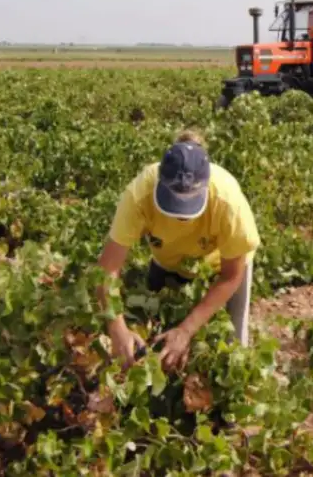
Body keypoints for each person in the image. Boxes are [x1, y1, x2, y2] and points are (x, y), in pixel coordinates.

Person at [94, 130, 260, 371]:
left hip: (219, 268)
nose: (181, 217)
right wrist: (116, 328)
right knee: (153, 336)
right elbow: (107, 269)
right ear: (159, 182)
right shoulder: (139, 194)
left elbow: (232, 275)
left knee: (233, 348)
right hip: (168, 261)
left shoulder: (228, 203)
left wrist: (187, 329)